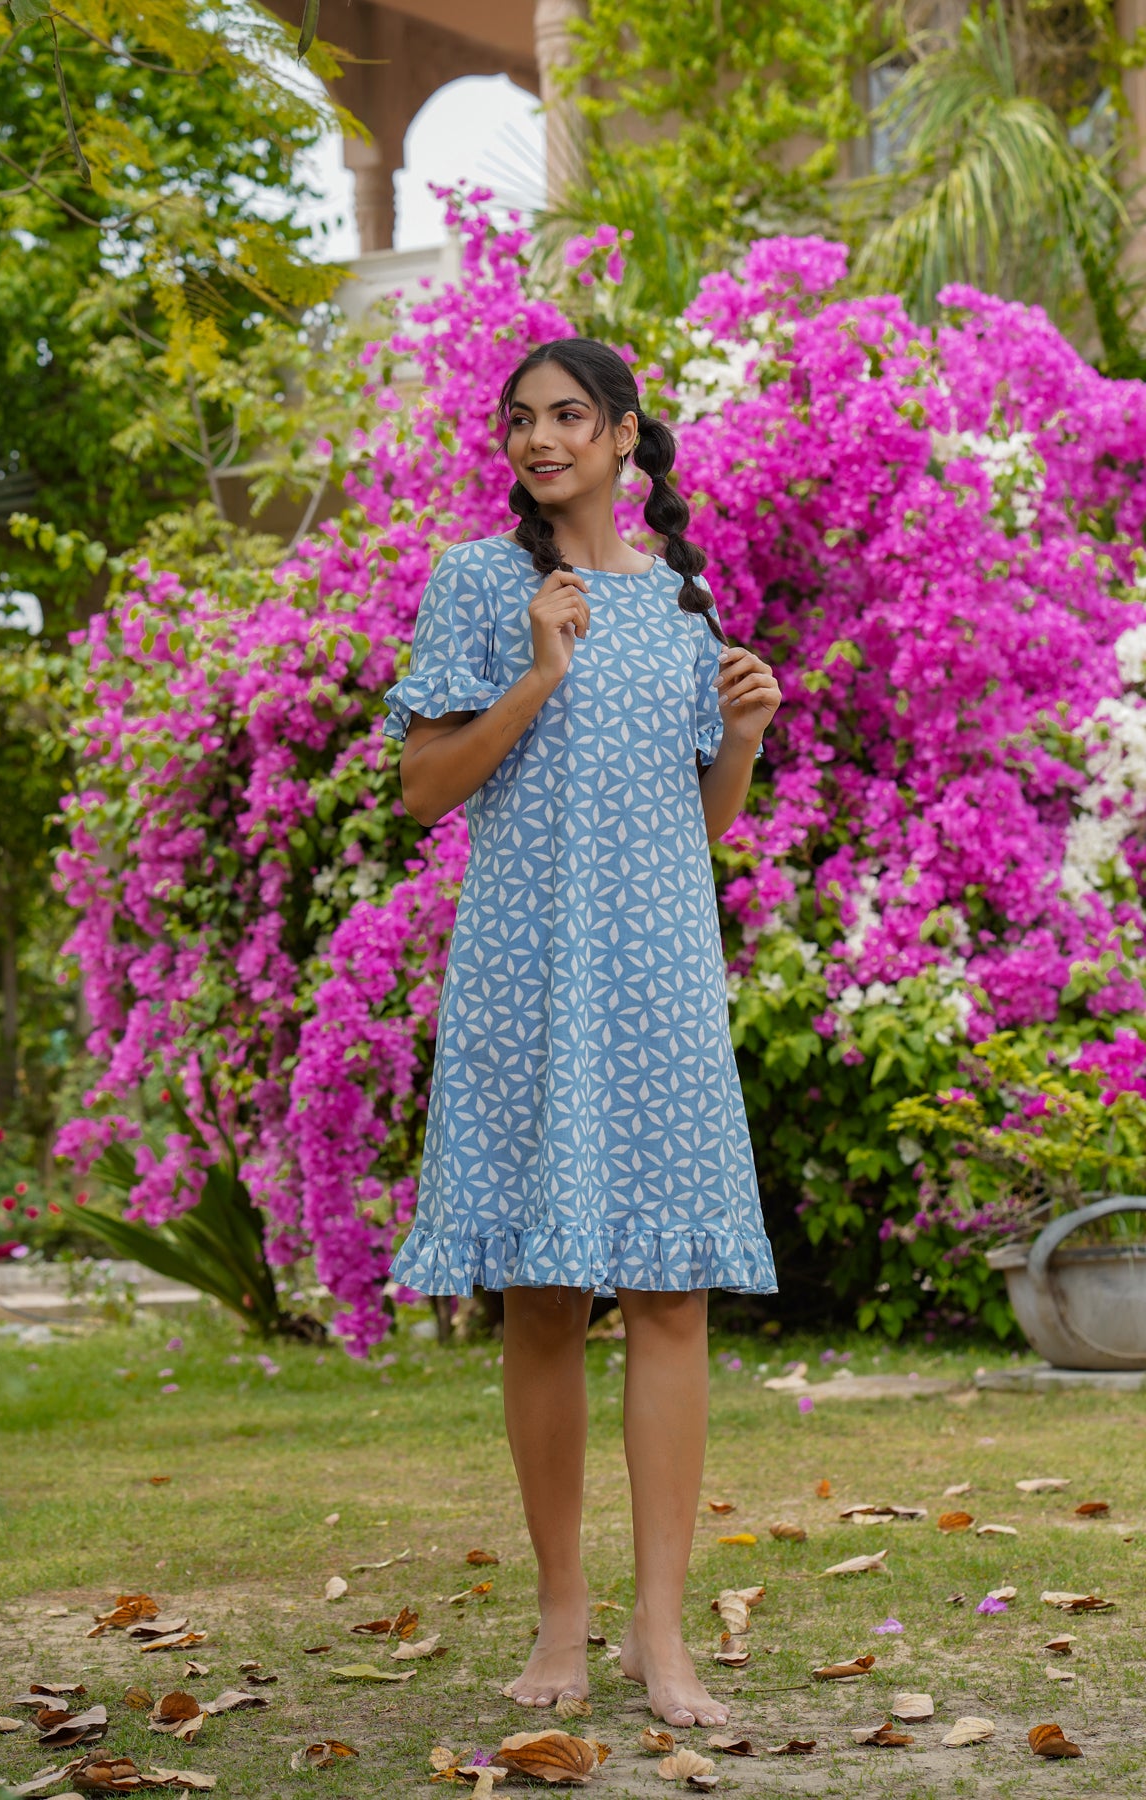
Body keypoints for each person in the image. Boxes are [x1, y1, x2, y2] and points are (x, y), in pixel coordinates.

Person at [381, 338, 781, 1730]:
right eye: (522, 421)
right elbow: (426, 787)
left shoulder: (683, 597)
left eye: (568, 417)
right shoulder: (483, 583)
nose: (540, 439)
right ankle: (562, 1622)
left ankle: (661, 1641)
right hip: (527, 971)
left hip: (663, 976)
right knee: (545, 1300)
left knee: (671, 1298)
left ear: (624, 437)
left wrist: (738, 737)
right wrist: (541, 669)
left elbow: (708, 822)